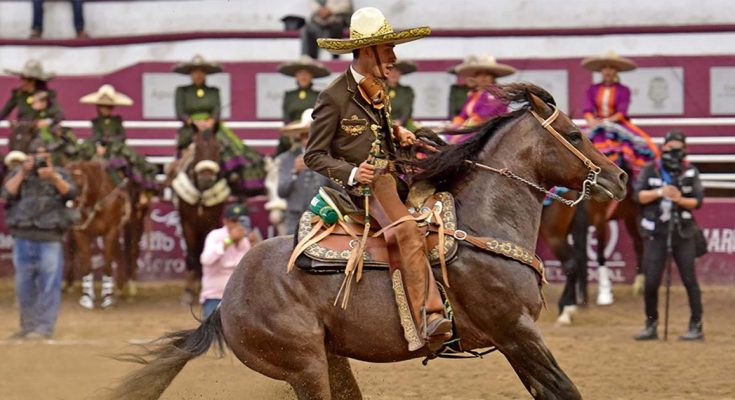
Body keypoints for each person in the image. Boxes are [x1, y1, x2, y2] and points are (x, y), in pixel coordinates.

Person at [305, 7, 451, 351]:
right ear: (367, 52)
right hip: (368, 187)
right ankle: (429, 316)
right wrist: (353, 172)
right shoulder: (333, 96)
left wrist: (397, 132)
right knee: (407, 230)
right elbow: (313, 155)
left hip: (395, 173)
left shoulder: (377, 87)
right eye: (388, 50)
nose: (394, 57)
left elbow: (374, 131)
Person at [633, 131, 704, 341]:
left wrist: (679, 199)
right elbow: (638, 196)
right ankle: (651, 323)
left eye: (678, 149)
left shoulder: (690, 172)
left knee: (690, 279)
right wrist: (660, 192)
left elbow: (697, 202)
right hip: (656, 233)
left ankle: (696, 325)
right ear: (663, 148)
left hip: (683, 232)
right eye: (670, 148)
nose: (673, 152)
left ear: (685, 150)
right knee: (651, 281)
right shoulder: (650, 169)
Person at [2, 140, 77, 340]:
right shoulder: (19, 173)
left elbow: (71, 193)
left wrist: (53, 177)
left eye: (44, 156)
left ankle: (44, 327)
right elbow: (6, 193)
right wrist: (22, 173)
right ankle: (27, 326)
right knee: (23, 285)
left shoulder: (60, 174)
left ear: (51, 158)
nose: (40, 159)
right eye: (36, 155)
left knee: (49, 284)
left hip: (50, 236)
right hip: (23, 236)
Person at [173, 54, 264, 196]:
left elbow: (216, 110)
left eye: (201, 72)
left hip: (212, 127)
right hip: (191, 128)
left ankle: (233, 177)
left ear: (206, 74)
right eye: (195, 72)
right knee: (187, 152)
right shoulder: (182, 91)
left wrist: (211, 121)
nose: (198, 75)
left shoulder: (213, 91)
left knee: (230, 147)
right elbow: (180, 113)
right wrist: (195, 123)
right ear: (191, 74)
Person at [582, 51, 659, 178]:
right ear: (601, 70)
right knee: (578, 144)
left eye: (611, 67)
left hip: (617, 123)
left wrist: (607, 122)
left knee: (639, 145)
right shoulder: (592, 89)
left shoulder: (623, 90)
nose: (608, 71)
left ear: (616, 71)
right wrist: (592, 121)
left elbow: (621, 113)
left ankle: (634, 181)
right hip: (597, 124)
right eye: (605, 67)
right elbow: (587, 110)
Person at [78, 84, 158, 204]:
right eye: (104, 106)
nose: (106, 109)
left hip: (117, 148)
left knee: (133, 162)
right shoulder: (96, 122)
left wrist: (112, 142)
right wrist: (99, 145)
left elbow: (122, 136)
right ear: (99, 107)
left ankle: (137, 191)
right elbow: (96, 135)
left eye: (109, 107)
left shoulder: (117, 121)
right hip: (101, 148)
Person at [199, 203, 256, 318]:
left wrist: (255, 245)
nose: (238, 225)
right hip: (215, 297)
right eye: (234, 221)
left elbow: (255, 269)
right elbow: (206, 259)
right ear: (225, 222)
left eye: (242, 221)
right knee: (212, 334)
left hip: (240, 299)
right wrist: (229, 240)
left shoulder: (247, 240)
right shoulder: (215, 235)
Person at [277, 109, 329, 234]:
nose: (310, 139)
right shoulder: (288, 158)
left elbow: (337, 189)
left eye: (314, 135)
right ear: (300, 136)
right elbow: (281, 191)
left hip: (321, 218)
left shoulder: (328, 158)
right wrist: (294, 171)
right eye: (306, 135)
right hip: (295, 219)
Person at [448, 55, 515, 143]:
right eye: (480, 74)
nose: (483, 77)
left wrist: (461, 131)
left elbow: (484, 115)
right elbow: (463, 115)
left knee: (460, 141)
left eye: (487, 74)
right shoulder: (474, 94)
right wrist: (455, 125)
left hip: (491, 129)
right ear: (475, 77)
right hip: (473, 128)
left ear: (493, 77)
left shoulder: (496, 93)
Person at [1, 60, 62, 153]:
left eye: (26, 79)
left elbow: (58, 115)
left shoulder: (45, 95)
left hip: (40, 132)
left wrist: (46, 121)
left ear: (34, 81)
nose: (22, 82)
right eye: (22, 78)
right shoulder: (18, 95)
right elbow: (4, 112)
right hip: (22, 130)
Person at [276, 55, 330, 155]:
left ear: (312, 76)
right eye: (300, 73)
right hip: (292, 134)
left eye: (307, 73)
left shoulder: (319, 95)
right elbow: (286, 119)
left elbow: (323, 117)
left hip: (314, 133)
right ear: (296, 76)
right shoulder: (289, 95)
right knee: (283, 145)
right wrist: (294, 132)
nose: (303, 77)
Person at [387, 60, 417, 132]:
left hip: (403, 126)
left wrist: (400, 122)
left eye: (397, 70)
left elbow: (406, 110)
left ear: (401, 73)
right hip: (382, 126)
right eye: (391, 70)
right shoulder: (378, 90)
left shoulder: (407, 91)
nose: (394, 73)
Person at [447, 55, 478, 119]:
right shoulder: (457, 90)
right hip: (461, 124)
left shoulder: (486, 90)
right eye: (466, 73)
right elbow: (452, 113)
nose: (470, 76)